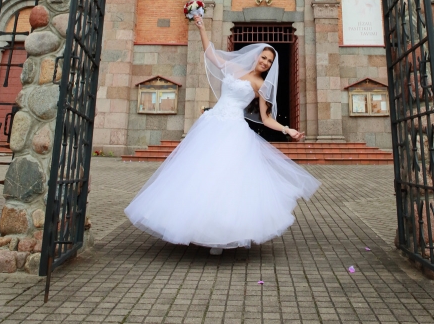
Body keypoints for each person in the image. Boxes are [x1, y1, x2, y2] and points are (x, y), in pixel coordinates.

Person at [125, 14, 320, 252]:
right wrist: (201, 28)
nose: (265, 63)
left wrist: (288, 129)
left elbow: (267, 118)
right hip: (211, 124)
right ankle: (196, 227)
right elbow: (211, 55)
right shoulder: (235, 68)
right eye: (264, 57)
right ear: (257, 55)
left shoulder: (262, 86)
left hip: (234, 130)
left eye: (269, 61)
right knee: (198, 174)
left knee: (225, 178)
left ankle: (221, 234)